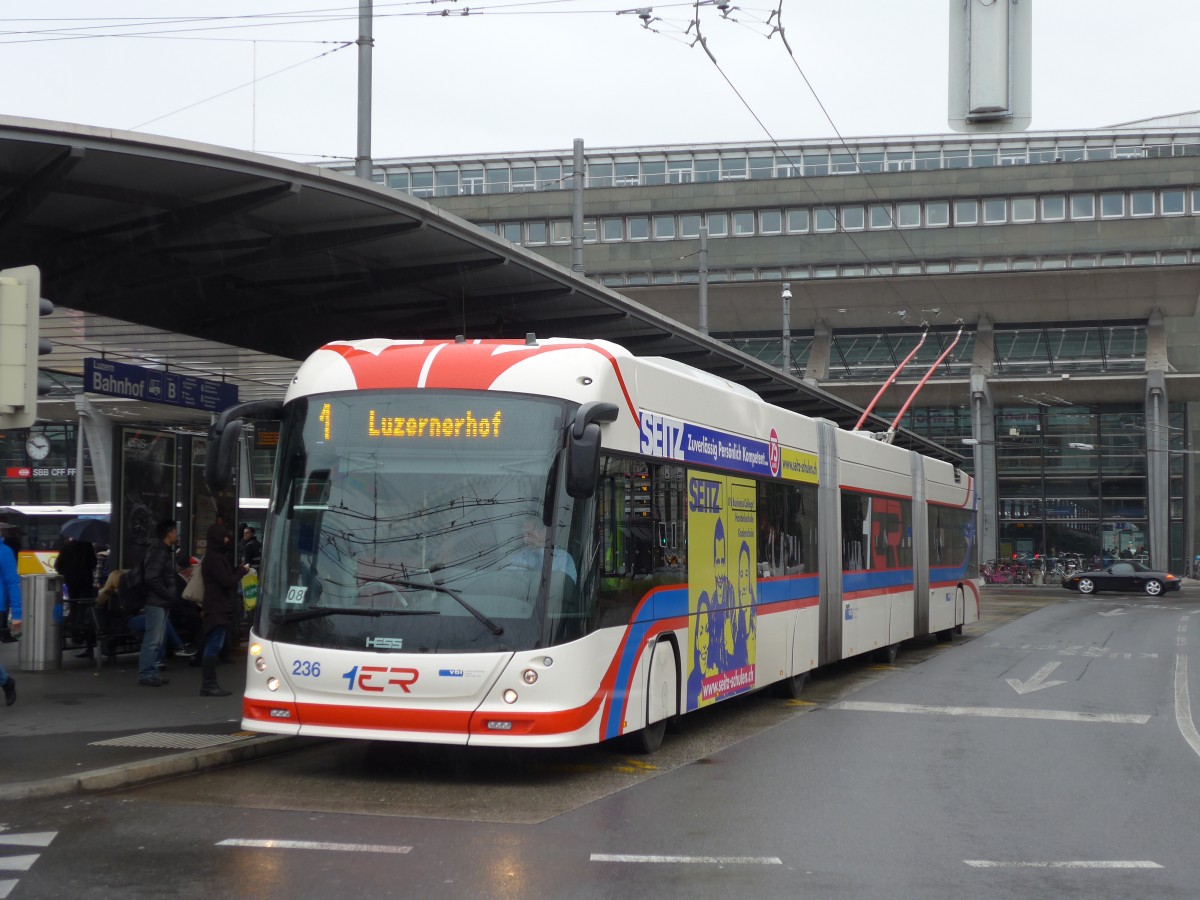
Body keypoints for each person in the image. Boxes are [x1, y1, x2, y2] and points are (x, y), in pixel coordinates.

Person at [198, 523, 248, 697]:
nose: (227, 539)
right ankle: (209, 683)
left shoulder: (212, 557)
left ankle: (209, 683)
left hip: (215, 605)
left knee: (213, 644)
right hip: (217, 606)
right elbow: (226, 580)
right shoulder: (215, 558)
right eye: (225, 536)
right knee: (213, 645)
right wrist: (241, 571)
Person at [137, 520, 179, 687]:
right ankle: (146, 673)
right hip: (156, 601)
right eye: (175, 531)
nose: (176, 534)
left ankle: (151, 671)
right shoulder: (159, 551)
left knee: (157, 639)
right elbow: (152, 578)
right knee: (153, 639)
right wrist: (168, 593)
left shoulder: (161, 550)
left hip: (159, 601)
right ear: (169, 533)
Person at [504, 517, 577, 582]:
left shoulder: (564, 559)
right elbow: (507, 581)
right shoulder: (519, 558)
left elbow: (567, 589)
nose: (525, 539)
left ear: (545, 532)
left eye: (529, 534)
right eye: (523, 534)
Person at [0, 536, 21, 705]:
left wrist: (17, 614)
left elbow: (13, 583)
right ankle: (6, 681)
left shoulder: (4, 552)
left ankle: (6, 682)